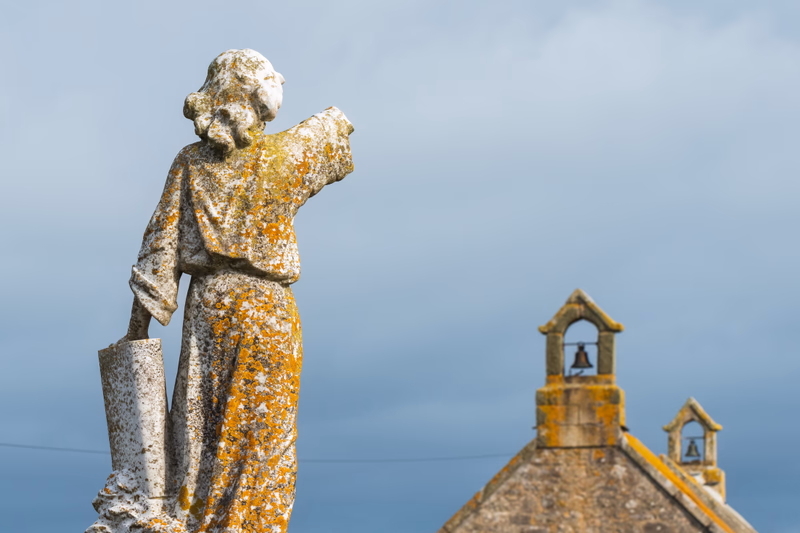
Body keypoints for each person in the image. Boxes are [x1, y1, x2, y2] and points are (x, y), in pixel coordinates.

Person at [124, 49, 354, 532]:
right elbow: (338, 129)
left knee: (200, 429)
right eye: (271, 75)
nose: (282, 79)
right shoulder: (286, 155)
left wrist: (135, 336)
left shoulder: (191, 162)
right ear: (247, 90)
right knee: (259, 439)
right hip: (267, 311)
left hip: (209, 309)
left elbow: (158, 249)